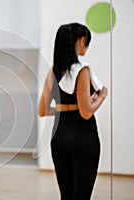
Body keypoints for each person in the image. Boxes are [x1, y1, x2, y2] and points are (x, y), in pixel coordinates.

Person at [38, 22, 108, 199]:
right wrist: (102, 95)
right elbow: (86, 112)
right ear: (82, 40)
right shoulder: (82, 70)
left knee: (66, 195)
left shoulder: (53, 71)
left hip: (59, 136)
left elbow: (42, 110)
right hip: (83, 136)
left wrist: (63, 109)